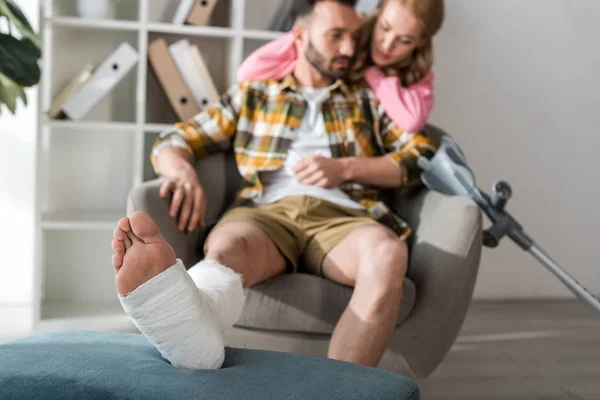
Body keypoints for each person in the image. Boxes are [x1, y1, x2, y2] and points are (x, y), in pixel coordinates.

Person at [111, 0, 438, 371]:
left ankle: (341, 392)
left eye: (354, 37)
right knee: (228, 247)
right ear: (300, 35)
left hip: (345, 217)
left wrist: (346, 168)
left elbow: (421, 156)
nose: (349, 49)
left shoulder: (366, 99)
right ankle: (189, 329)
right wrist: (181, 171)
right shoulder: (255, 94)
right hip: (266, 212)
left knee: (388, 255)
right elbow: (176, 138)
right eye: (336, 36)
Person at [238, 0, 445, 132]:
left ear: (421, 42)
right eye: (385, 28)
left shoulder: (417, 73)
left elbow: (411, 121)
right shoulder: (350, 33)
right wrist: (303, 36)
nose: (387, 44)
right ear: (379, 13)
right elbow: (249, 73)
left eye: (405, 40)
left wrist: (374, 76)